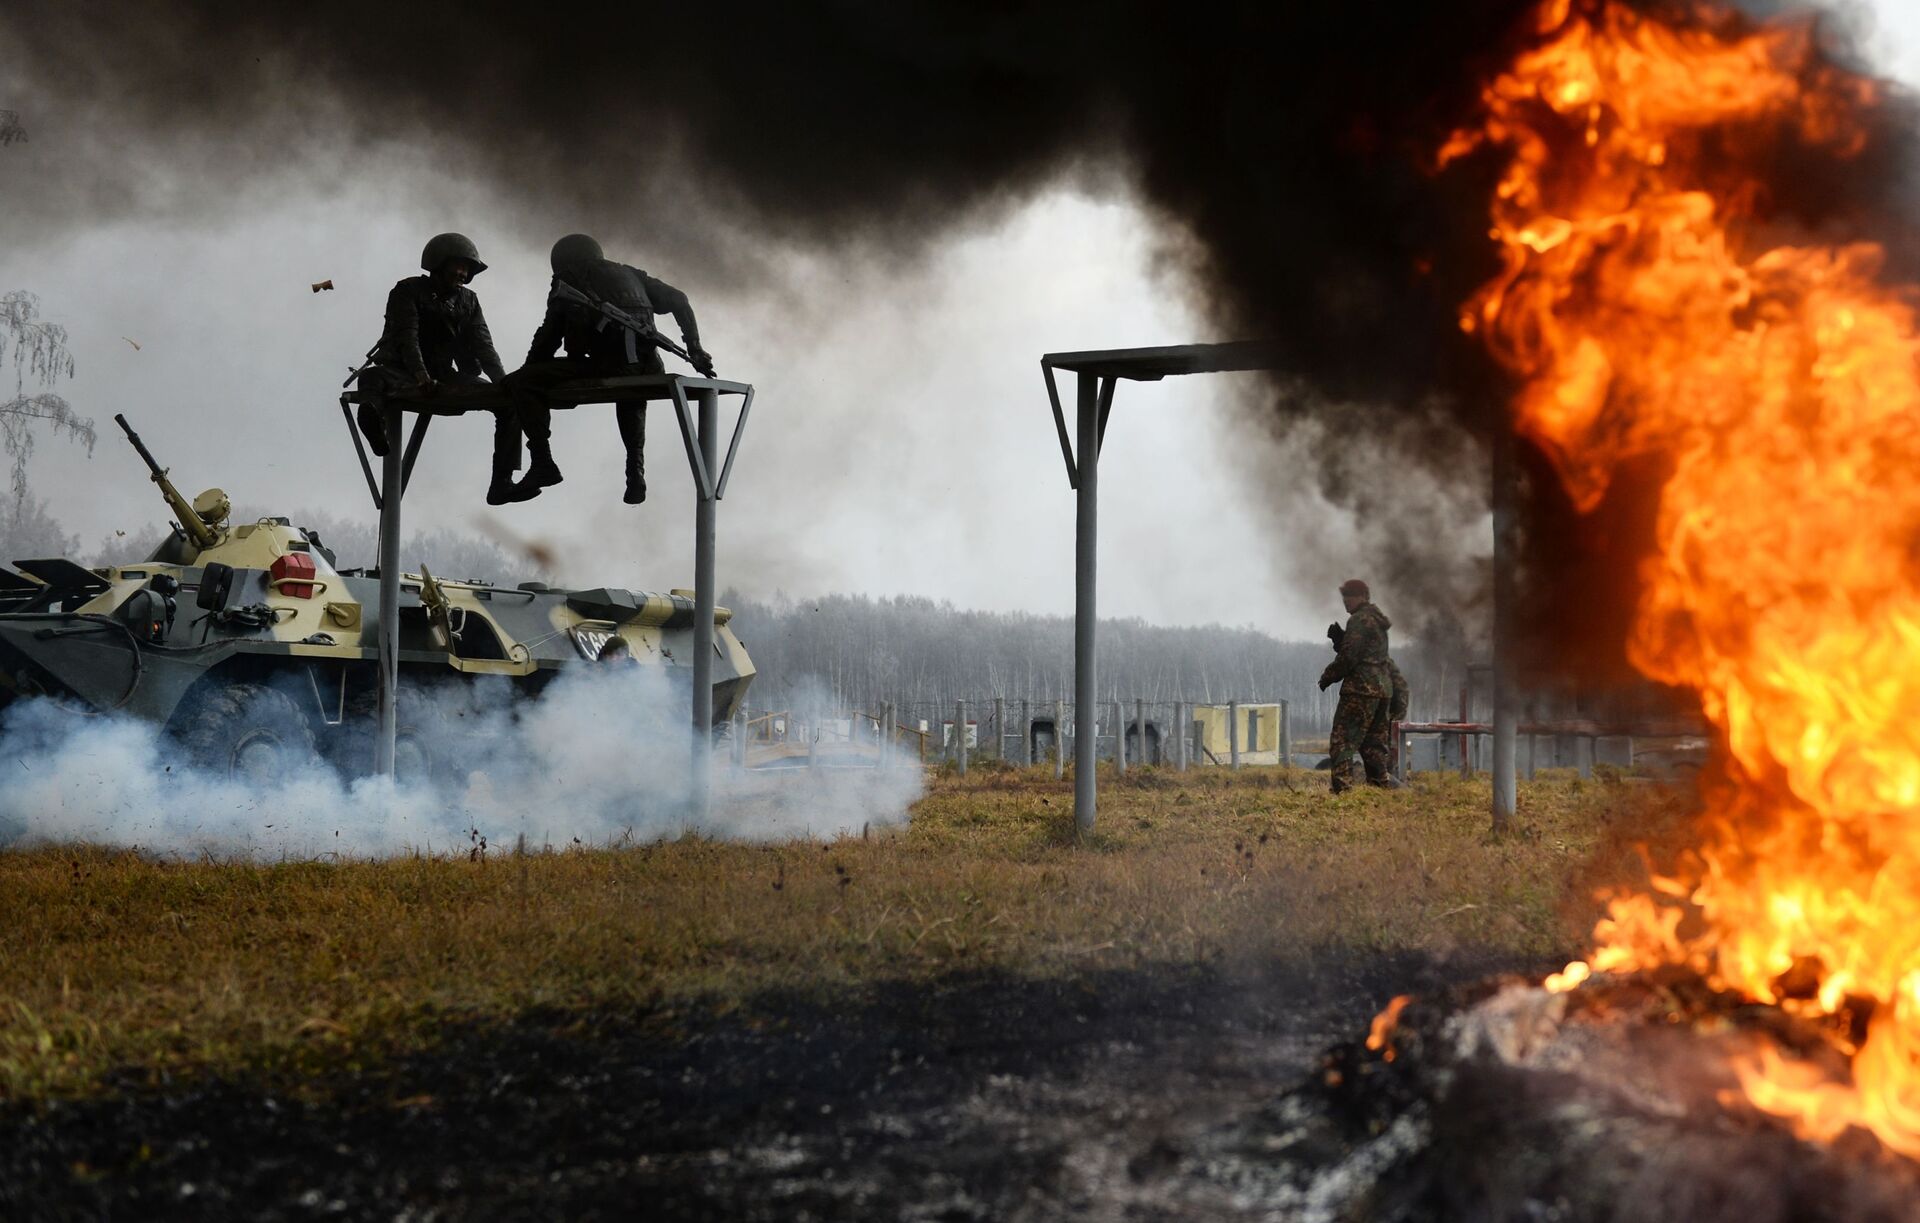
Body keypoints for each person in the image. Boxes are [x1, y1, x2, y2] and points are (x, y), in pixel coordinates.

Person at [501, 233, 716, 505]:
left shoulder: (569, 279)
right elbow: (679, 300)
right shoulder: (631, 274)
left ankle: (542, 462)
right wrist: (694, 348)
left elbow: (549, 337)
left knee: (524, 383)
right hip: (649, 366)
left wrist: (527, 371)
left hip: (607, 366)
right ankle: (635, 469)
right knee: (632, 391)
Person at [354, 234, 518, 502]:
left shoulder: (469, 301)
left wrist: (503, 383)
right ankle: (373, 425)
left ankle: (503, 481)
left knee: (509, 403)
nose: (462, 273)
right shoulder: (407, 291)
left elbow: (483, 345)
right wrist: (420, 376)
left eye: (467, 269)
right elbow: (407, 336)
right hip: (403, 370)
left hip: (443, 375)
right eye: (457, 266)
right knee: (371, 379)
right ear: (438, 264)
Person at [1318, 578, 1393, 793]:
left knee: (1342, 741)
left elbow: (1350, 658)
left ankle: (1343, 793)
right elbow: (1367, 653)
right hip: (1382, 690)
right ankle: (1380, 790)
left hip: (1361, 689)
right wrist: (1341, 641)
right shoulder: (1377, 621)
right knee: (1373, 745)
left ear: (1362, 596)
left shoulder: (1360, 620)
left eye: (1350, 596)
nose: (1346, 602)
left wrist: (1327, 676)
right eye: (1344, 597)